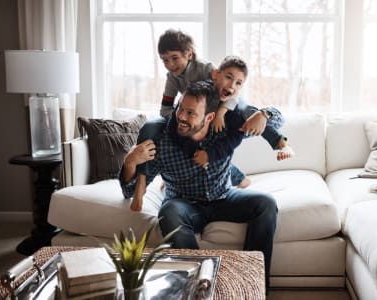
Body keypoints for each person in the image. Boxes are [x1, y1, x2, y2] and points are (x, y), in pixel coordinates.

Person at [119, 80, 278, 291]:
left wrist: (264, 114)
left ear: (210, 117)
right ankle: (199, 289)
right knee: (169, 211)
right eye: (180, 109)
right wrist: (130, 161)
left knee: (266, 203)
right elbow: (129, 191)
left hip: (224, 197)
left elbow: (276, 123)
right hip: (185, 204)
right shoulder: (163, 141)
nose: (182, 117)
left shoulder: (225, 129)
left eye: (191, 113)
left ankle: (253, 285)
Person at [131, 29, 293, 211]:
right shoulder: (172, 78)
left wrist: (222, 113)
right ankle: (142, 183)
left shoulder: (205, 68)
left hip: (224, 107)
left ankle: (280, 143)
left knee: (247, 113)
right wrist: (180, 118)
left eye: (174, 58)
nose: (170, 64)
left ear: (189, 54)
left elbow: (228, 91)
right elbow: (165, 108)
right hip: (194, 118)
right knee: (151, 127)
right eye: (165, 60)